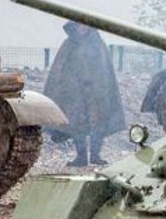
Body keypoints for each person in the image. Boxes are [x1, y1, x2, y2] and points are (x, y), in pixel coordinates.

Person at [43, 21, 127, 167]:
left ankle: (95, 155)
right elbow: (60, 70)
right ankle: (81, 157)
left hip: (96, 92)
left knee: (98, 123)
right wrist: (69, 87)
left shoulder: (98, 44)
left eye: (85, 24)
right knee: (76, 124)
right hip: (75, 93)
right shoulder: (69, 45)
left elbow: (105, 70)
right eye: (79, 25)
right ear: (74, 26)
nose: (82, 27)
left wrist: (100, 88)